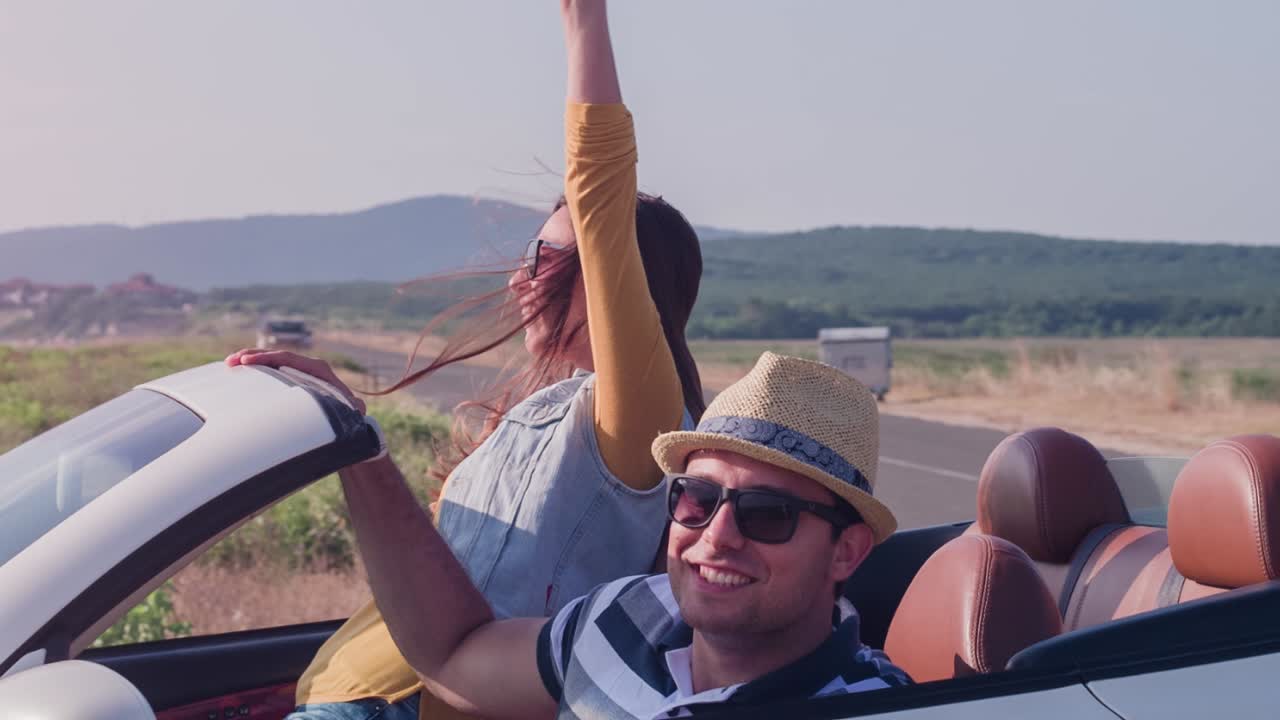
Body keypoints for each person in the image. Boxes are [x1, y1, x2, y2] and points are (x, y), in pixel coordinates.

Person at [225, 1, 704, 716]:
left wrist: (583, 20)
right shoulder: (547, 411)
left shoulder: (639, 423)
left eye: (545, 256)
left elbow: (600, 191)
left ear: (615, 282)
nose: (520, 275)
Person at [337, 351, 910, 720]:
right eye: (698, 498)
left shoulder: (882, 709)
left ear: (847, 551)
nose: (718, 536)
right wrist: (363, 456)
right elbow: (452, 656)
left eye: (767, 514)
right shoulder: (628, 613)